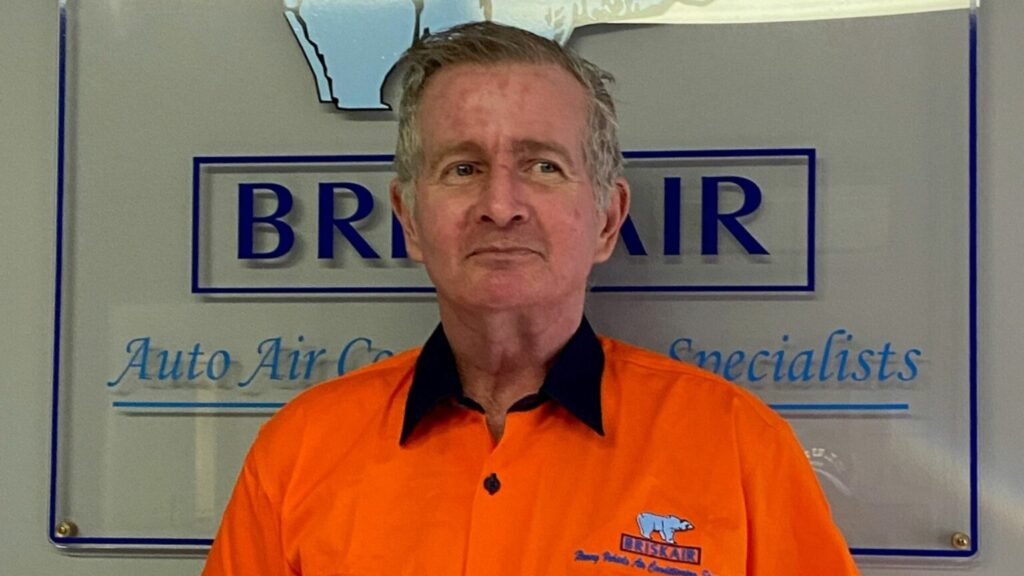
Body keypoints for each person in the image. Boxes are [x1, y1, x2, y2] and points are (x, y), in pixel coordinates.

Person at [204, 21, 860, 575]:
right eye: (462, 168)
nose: (500, 205)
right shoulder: (300, 452)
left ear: (608, 219)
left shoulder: (738, 448)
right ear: (409, 219)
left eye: (543, 166)